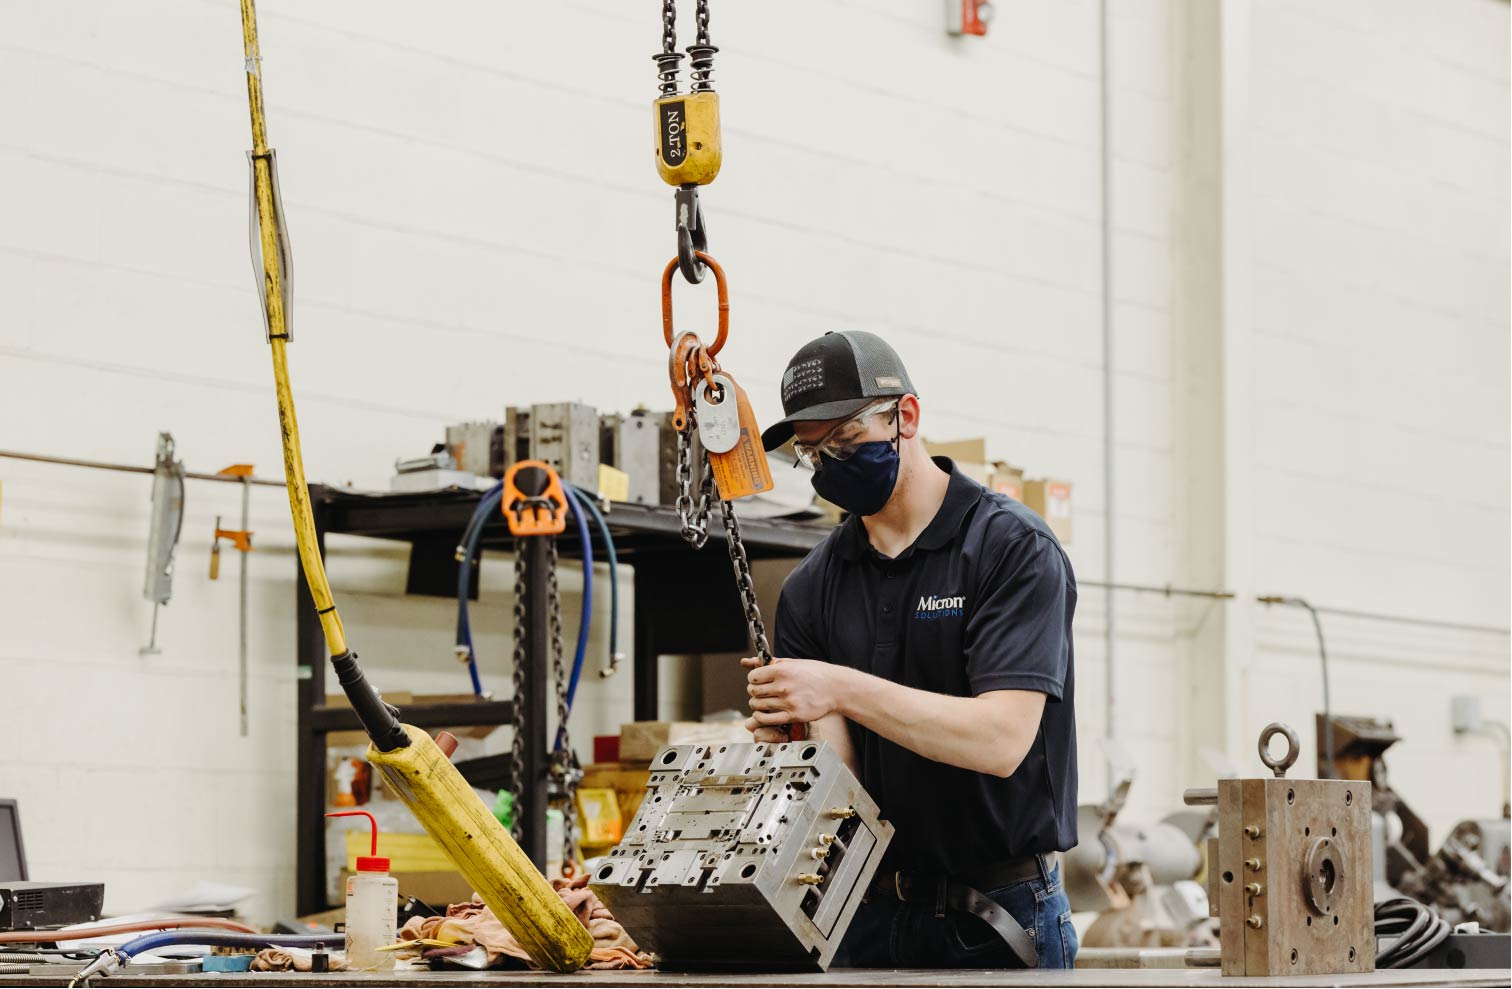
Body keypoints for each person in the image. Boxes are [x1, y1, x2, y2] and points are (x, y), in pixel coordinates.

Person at [745, 330, 1080, 969]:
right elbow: (843, 784)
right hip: (864, 911)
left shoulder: (1010, 550)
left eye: (844, 442)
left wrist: (837, 687)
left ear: (908, 416)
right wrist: (791, 736)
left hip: (998, 914)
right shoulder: (812, 586)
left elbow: (1001, 741)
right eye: (813, 454)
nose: (830, 466)